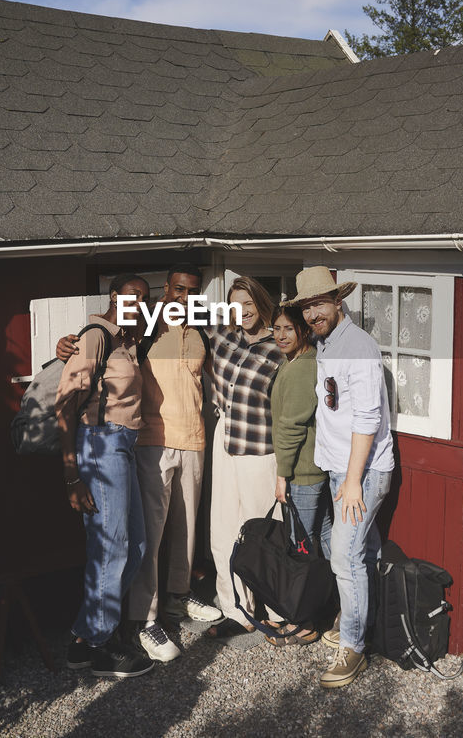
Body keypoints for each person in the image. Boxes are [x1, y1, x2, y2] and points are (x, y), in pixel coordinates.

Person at [293, 266, 395, 689]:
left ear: (338, 301)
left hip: (363, 472)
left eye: (319, 303)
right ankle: (359, 625)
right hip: (341, 469)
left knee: (345, 557)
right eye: (306, 307)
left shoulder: (358, 347)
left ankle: (351, 648)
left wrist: (353, 481)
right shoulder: (326, 343)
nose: (313, 313)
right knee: (362, 553)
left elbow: (368, 419)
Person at [56, 274, 155, 679]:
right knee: (110, 549)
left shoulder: (127, 342)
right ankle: (99, 646)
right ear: (115, 297)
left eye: (147, 298)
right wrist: (71, 476)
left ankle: (83, 639)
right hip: (100, 446)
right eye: (134, 296)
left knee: (136, 547)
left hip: (123, 447)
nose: (141, 303)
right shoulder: (96, 335)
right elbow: (65, 405)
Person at [123, 265, 223, 661]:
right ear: (167, 288)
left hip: (194, 439)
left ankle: (178, 598)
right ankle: (145, 620)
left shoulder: (202, 332)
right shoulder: (144, 329)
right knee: (151, 534)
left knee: (186, 529)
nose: (184, 296)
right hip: (153, 442)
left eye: (192, 291)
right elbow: (104, 352)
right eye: (179, 289)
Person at [203, 275, 285, 640]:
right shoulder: (222, 335)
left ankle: (277, 610)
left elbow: (286, 408)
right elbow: (173, 316)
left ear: (261, 303)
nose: (243, 311)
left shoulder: (280, 347)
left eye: (248, 303)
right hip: (225, 442)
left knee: (262, 532)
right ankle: (236, 610)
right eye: (235, 304)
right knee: (222, 530)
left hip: (261, 450)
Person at [267, 303, 329, 646]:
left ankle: (304, 623)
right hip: (311, 469)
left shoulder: (303, 368)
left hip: (303, 473)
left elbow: (291, 426)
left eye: (288, 329)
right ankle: (329, 610)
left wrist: (282, 474)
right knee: (323, 542)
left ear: (303, 330)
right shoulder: (298, 363)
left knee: (300, 550)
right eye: (276, 329)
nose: (280, 335)